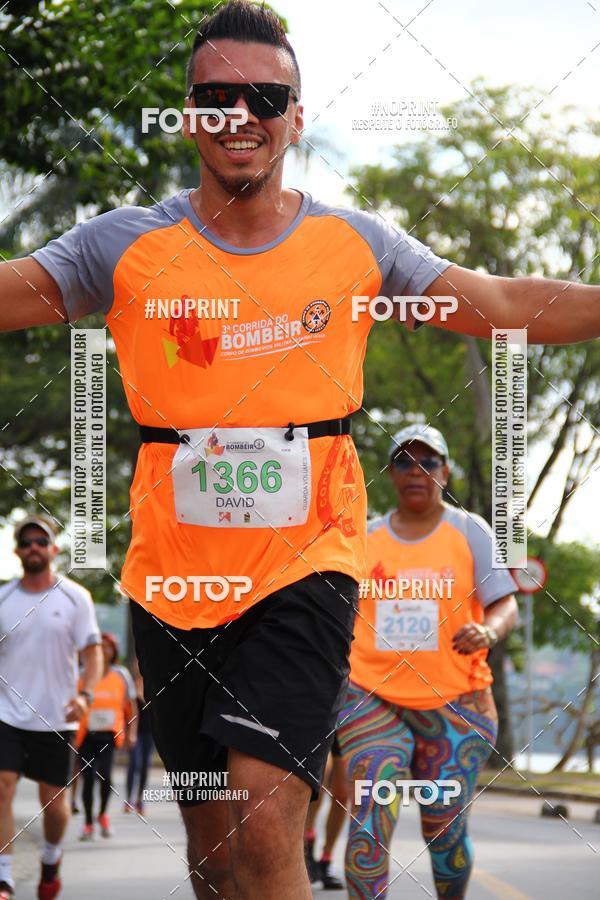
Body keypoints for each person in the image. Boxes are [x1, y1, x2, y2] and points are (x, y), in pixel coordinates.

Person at [0, 2, 598, 895]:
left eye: (265, 95)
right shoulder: (122, 246)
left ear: (297, 114)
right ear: (189, 110)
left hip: (308, 566)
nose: (240, 114)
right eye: (216, 95)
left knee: (264, 809)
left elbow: (501, 303)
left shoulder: (355, 245)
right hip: (173, 580)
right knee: (212, 850)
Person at [337, 425, 519, 898]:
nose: (416, 472)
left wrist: (488, 630)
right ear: (390, 472)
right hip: (373, 699)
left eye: (428, 462)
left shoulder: (468, 531)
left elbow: (506, 603)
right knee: (370, 826)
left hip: (457, 705)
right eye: (403, 462)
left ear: (445, 471)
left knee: (443, 833)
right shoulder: (365, 537)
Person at [0, 515, 102, 900]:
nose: (33, 548)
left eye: (40, 541)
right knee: (1, 788)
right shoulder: (4, 598)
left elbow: (92, 653)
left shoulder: (75, 596)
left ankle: (51, 856)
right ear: (17, 552)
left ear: (54, 548)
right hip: (6, 712)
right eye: (26, 542)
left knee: (55, 807)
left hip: (56, 716)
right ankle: (4, 877)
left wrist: (85, 695)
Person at [75, 633, 137, 840]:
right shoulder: (84, 674)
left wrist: (132, 732)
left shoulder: (121, 675)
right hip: (85, 735)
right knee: (88, 778)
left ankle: (103, 814)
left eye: (108, 647)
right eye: (100, 647)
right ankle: (88, 823)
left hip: (110, 735)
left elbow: (132, 706)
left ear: (114, 651)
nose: (104, 650)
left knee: (106, 777)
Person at [304, 738, 347, 890]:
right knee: (320, 774)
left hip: (348, 719)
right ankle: (307, 842)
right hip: (325, 717)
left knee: (343, 793)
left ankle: (326, 859)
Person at [124, 657, 154, 815]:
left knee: (144, 766)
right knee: (134, 763)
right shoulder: (129, 684)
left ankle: (140, 800)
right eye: (136, 663)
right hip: (134, 731)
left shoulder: (152, 682)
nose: (139, 665)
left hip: (149, 731)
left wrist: (141, 695)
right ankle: (129, 799)